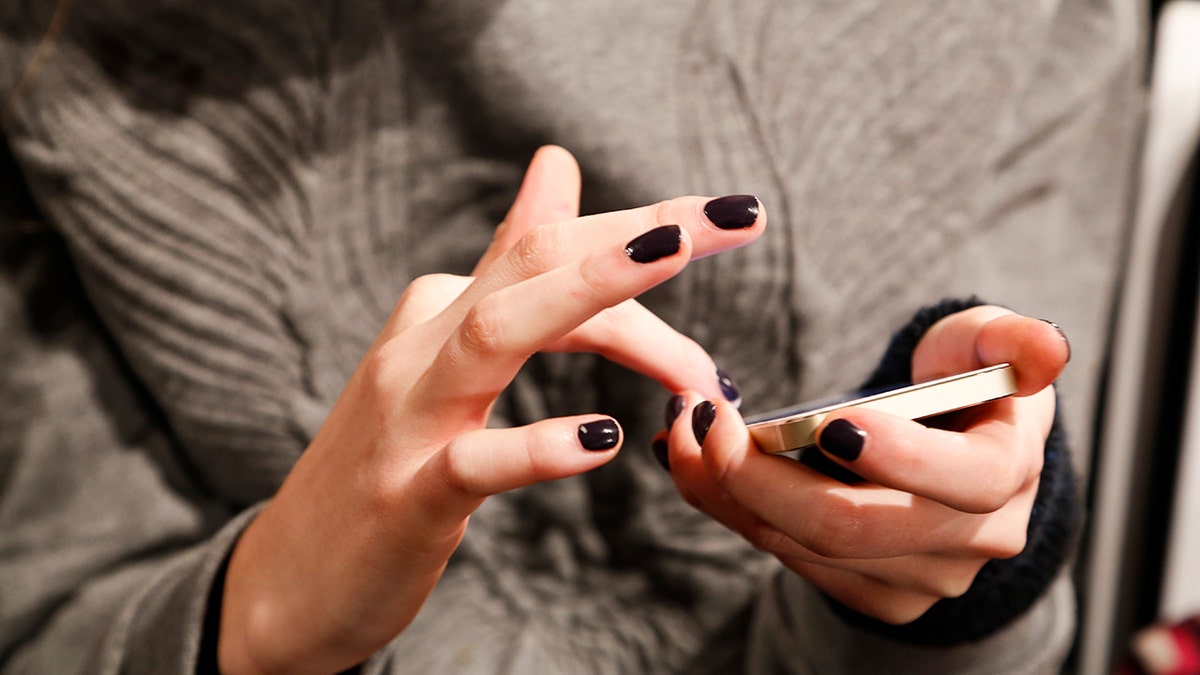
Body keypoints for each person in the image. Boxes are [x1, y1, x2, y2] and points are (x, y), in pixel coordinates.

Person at [0, 1, 1145, 673]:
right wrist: (254, 618)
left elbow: (1010, 583)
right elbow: (44, 625)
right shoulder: (55, 56)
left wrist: (960, 563)